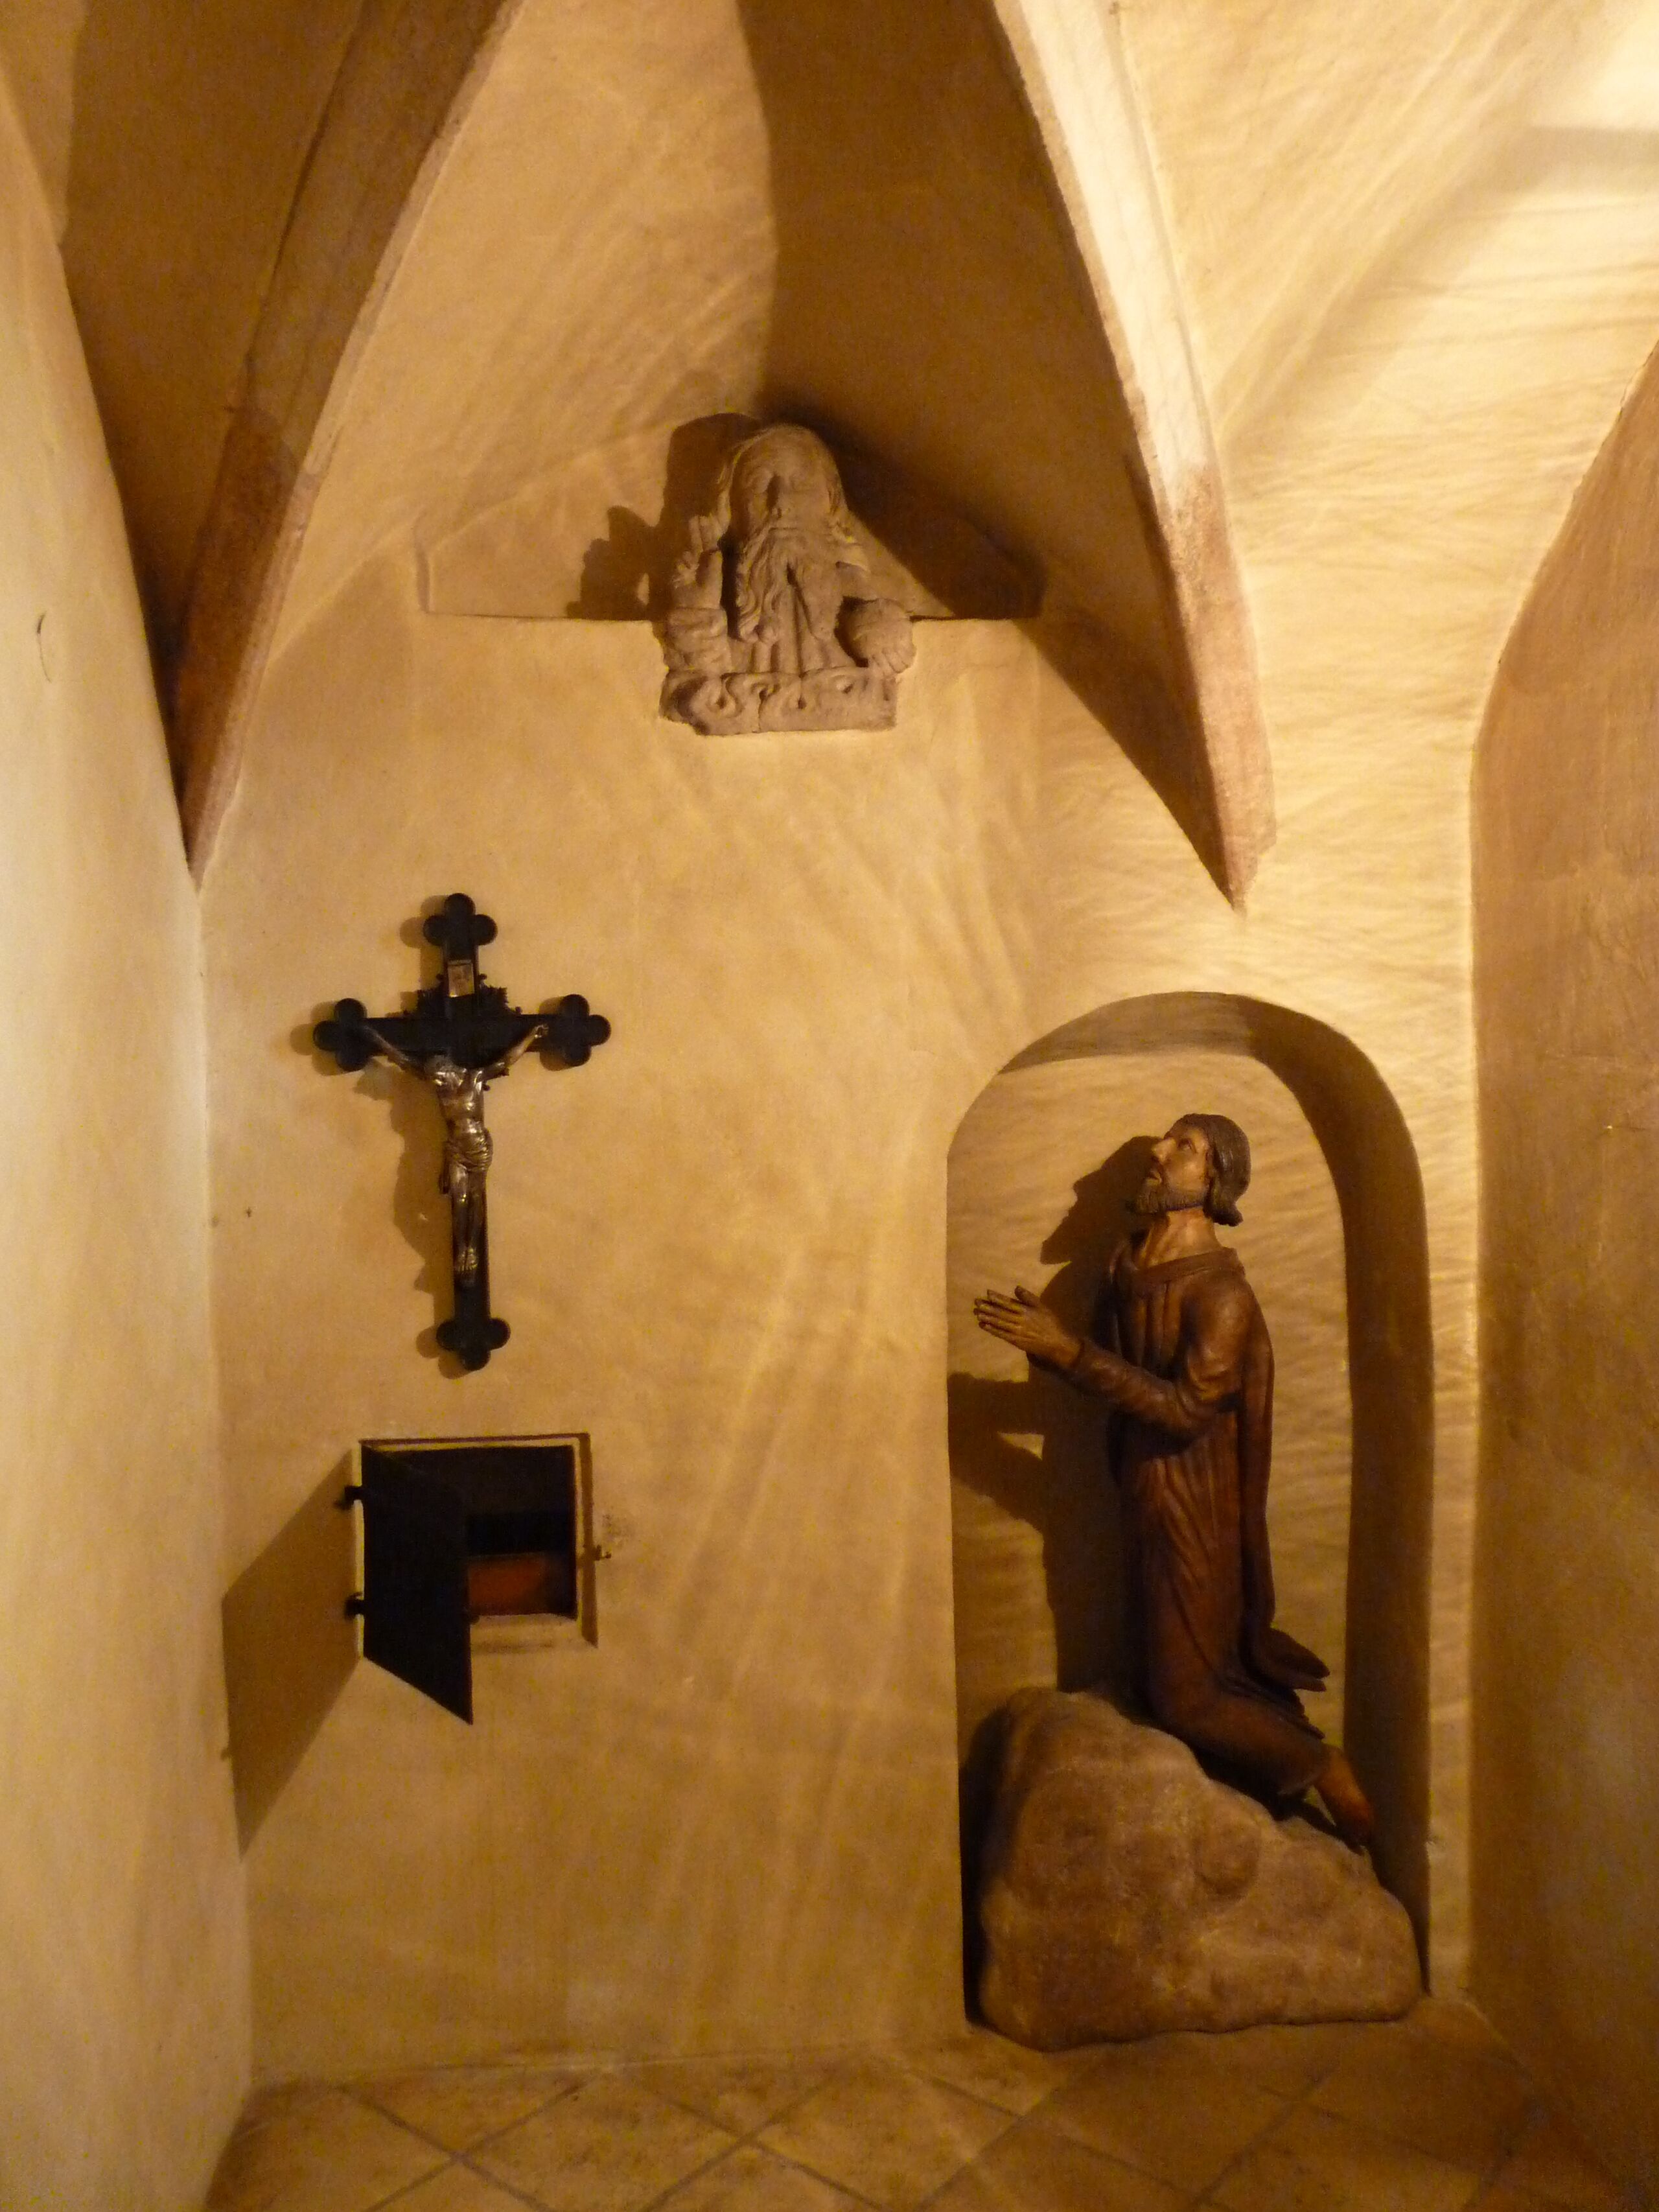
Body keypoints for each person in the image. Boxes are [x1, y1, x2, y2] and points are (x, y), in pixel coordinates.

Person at [975, 1113, 1375, 1848]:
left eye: (1183, 1147)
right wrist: (1050, 1344)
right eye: (1167, 1141)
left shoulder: (1223, 1296)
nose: (1158, 1152)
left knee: (1186, 1695)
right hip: (1139, 1487)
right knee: (1160, 1668)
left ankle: (1318, 1765)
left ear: (1214, 1179)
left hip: (1198, 1501)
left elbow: (1186, 1411)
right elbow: (1108, 1366)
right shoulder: (1126, 1262)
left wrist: (1066, 1353)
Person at [362, 1023, 544, 1280]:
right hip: (456, 1148)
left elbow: (506, 1061)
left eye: (438, 1077)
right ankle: (463, 1251)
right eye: (433, 1079)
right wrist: (378, 1040)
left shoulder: (475, 1078)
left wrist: (531, 1037)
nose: (436, 1083)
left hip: (478, 1147)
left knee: (476, 1199)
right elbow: (403, 1061)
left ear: (448, 1070)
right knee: (459, 1201)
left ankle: (472, 1249)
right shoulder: (440, 1086)